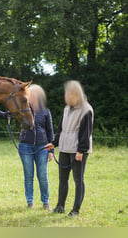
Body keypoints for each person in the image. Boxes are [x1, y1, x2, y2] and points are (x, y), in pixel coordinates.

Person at [0, 84, 54, 210]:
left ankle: (45, 202)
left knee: (42, 175)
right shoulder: (23, 108)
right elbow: (5, 115)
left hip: (42, 147)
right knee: (28, 175)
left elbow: (50, 131)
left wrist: (51, 150)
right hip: (25, 146)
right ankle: (30, 202)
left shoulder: (45, 111)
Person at [45, 80, 94, 217]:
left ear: (75, 94)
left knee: (78, 180)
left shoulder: (86, 110)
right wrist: (54, 143)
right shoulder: (67, 108)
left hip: (78, 151)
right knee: (62, 179)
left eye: (68, 94)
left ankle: (76, 210)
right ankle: (60, 206)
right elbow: (61, 129)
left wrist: (81, 151)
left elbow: (86, 133)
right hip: (65, 149)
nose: (65, 97)